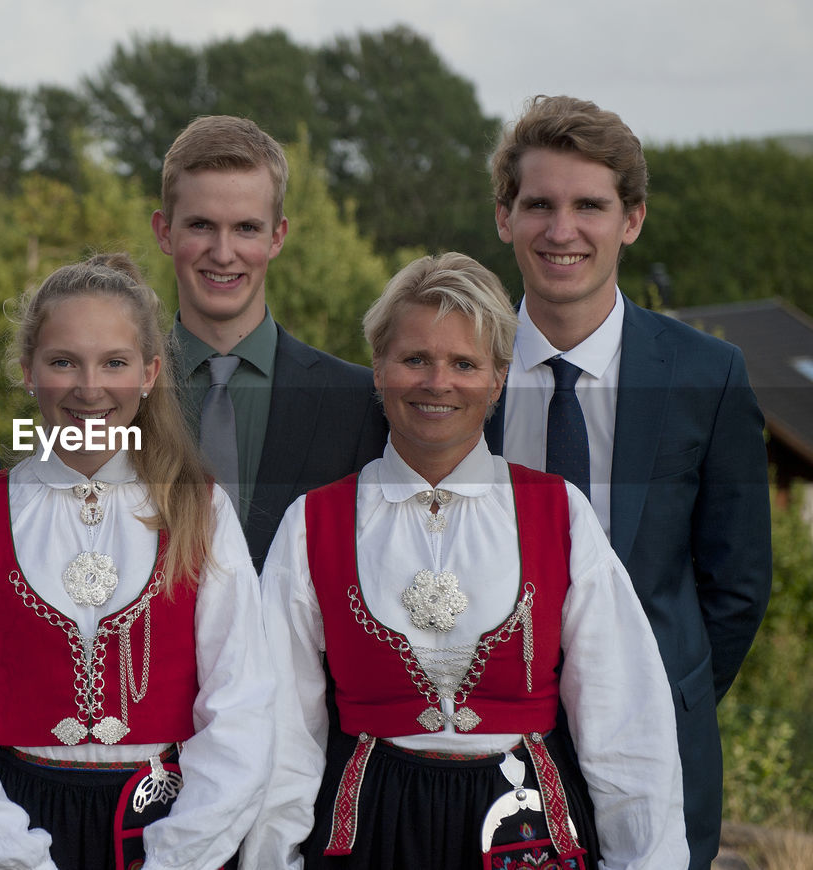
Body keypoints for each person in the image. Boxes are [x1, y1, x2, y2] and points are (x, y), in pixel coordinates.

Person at [244, 253, 688, 869]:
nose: (437, 382)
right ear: (378, 368)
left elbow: (625, 718)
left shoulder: (560, 514)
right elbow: (281, 729)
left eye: (464, 363)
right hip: (372, 829)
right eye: (415, 359)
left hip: (524, 828)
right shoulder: (311, 524)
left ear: (499, 378)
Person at [0, 253, 274, 870]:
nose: (89, 387)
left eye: (115, 363)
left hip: (166, 823)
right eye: (63, 361)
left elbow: (242, 706)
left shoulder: (200, 511)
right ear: (27, 371)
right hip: (14, 823)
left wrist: (178, 855)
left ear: (150, 373)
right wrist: (9, 855)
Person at [485, 95, 771, 869]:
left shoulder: (707, 376)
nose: (562, 229)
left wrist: (655, 703)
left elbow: (737, 585)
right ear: (505, 217)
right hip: (481, 767)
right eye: (539, 204)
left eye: (590, 205)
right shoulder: (453, 371)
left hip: (659, 767)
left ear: (632, 219)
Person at [150, 115, 387, 570]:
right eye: (200, 225)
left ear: (277, 236)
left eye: (246, 228)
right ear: (165, 232)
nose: (222, 253)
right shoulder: (115, 397)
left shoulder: (358, 404)